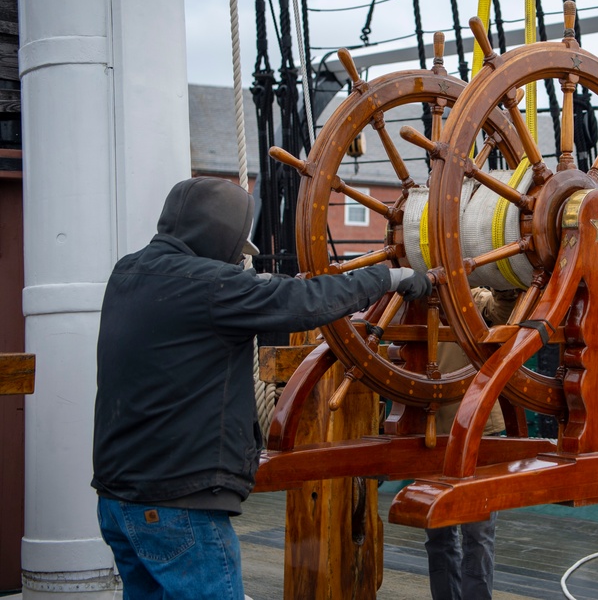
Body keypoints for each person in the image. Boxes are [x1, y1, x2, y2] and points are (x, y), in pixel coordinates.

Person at [91, 177, 432, 599]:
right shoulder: (212, 288)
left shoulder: (126, 272)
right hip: (178, 502)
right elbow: (305, 303)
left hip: (117, 497)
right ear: (219, 233)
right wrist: (390, 277)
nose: (238, 259)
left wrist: (256, 289)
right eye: (237, 247)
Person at [424, 287, 518, 600]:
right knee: (439, 532)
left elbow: (502, 312)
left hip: (475, 429)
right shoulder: (409, 299)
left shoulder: (472, 296)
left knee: (476, 533)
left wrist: (507, 284)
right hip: (427, 432)